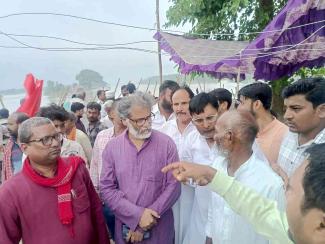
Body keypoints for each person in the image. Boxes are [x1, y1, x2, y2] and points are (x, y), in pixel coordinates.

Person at [163, 142, 325, 244]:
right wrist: (211, 175)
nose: (283, 189)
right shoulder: (290, 232)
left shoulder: (268, 181)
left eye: (288, 188)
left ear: (321, 225)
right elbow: (259, 209)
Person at [0, 117, 111, 244]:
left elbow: (96, 213)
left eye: (56, 136)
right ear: (24, 148)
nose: (55, 143)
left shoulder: (76, 169)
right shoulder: (10, 191)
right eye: (45, 140)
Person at [100, 92, 181, 244]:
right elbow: (107, 188)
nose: (146, 123)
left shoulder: (166, 144)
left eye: (149, 117)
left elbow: (174, 186)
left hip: (160, 229)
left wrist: (146, 221)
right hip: (126, 231)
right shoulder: (112, 148)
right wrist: (137, 217)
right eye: (140, 120)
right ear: (124, 120)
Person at [181, 92, 220, 244]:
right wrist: (195, 180)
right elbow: (185, 172)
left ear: (219, 113)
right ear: (192, 119)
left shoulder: (234, 136)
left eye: (210, 118)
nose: (206, 125)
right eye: (199, 120)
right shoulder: (191, 140)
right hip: (202, 208)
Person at [159, 86, 196, 244]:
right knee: (172, 227)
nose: (179, 109)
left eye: (184, 103)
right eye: (176, 104)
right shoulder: (165, 130)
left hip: (195, 190)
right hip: (170, 189)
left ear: (192, 102)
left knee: (192, 227)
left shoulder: (201, 126)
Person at [90, 100, 126, 240]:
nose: (124, 115)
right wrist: (96, 192)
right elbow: (95, 164)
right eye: (120, 111)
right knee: (115, 235)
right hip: (107, 200)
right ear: (111, 114)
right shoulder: (102, 136)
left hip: (130, 199)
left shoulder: (136, 137)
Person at [278, 77, 325, 177]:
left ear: (322, 110)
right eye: (285, 109)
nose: (287, 116)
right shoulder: (289, 134)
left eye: (295, 108)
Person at [237, 82, 288, 165]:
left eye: (242, 103)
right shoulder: (243, 131)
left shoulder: (284, 134)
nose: (238, 108)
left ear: (257, 104)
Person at [1, 112, 29, 182]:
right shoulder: (11, 142)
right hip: (13, 185)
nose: (7, 127)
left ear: (21, 125)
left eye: (11, 124)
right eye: (7, 124)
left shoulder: (32, 143)